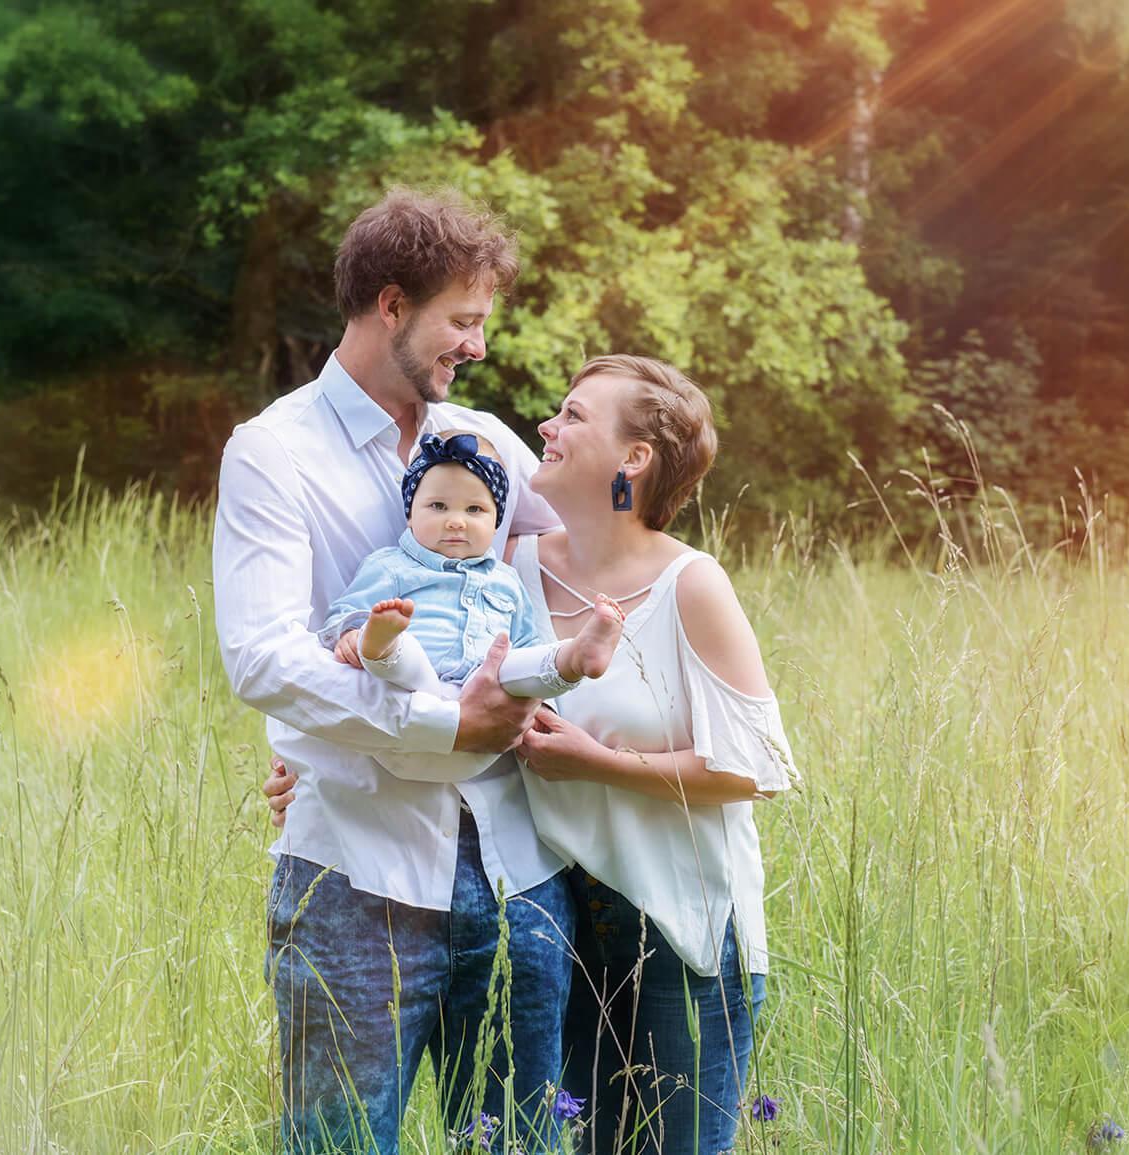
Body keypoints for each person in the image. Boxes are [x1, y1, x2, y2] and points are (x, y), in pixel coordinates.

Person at [268, 354, 799, 1155]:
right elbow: (439, 697)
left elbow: (753, 770)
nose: (545, 427)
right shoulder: (499, 570)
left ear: (635, 459)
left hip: (681, 931)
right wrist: (316, 761)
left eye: (575, 415)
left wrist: (596, 760)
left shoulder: (691, 584)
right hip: (556, 923)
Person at [213, 187, 578, 1155]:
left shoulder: (491, 443)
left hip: (512, 876)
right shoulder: (273, 455)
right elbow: (261, 654)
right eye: (462, 321)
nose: (479, 346)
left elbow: (592, 571)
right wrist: (436, 727)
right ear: (389, 305)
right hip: (354, 880)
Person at [321, 429, 626, 707]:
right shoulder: (391, 567)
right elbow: (345, 609)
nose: (456, 520)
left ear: (495, 524)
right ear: (410, 514)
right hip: (414, 699)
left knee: (521, 661)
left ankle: (575, 656)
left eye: (474, 509)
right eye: (438, 506)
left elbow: (525, 640)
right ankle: (379, 642)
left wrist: (543, 706)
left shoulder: (505, 579)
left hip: (488, 694)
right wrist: (350, 631)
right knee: (407, 654)